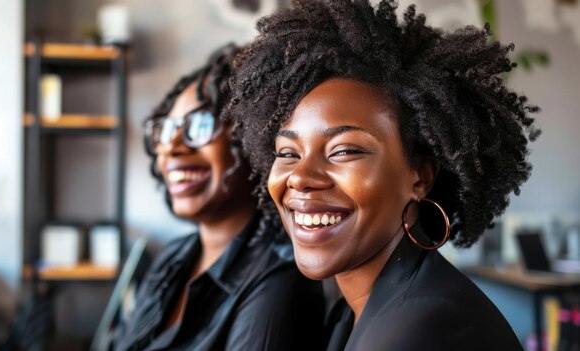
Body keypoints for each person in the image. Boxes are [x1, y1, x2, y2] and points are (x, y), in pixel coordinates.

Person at [224, 1, 540, 350]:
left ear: (419, 177)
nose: (299, 177)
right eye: (287, 153)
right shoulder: (357, 307)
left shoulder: (427, 327)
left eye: (343, 150)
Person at [112, 43, 325, 351]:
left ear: (254, 139)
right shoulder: (174, 258)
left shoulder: (277, 281)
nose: (172, 147)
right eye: (168, 129)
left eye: (200, 126)